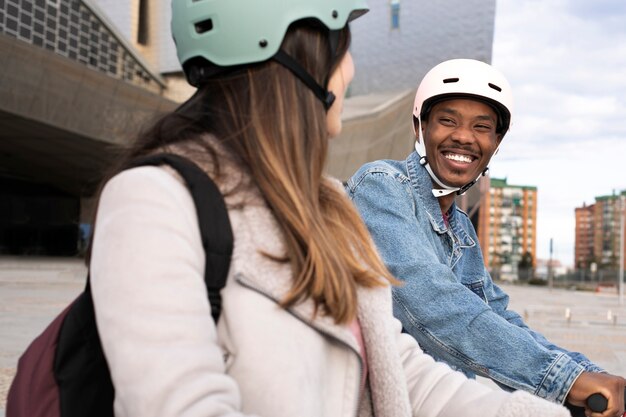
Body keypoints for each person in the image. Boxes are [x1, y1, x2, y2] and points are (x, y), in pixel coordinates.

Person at [86, 2, 571, 415]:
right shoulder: (153, 200)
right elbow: (178, 403)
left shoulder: (327, 208)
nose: (351, 68)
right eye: (342, 48)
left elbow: (399, 370)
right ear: (296, 62)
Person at [345, 58, 626, 417]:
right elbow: (433, 306)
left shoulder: (461, 229)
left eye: (482, 127)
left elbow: (497, 317)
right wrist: (566, 381)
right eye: (448, 120)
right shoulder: (381, 186)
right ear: (420, 126)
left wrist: (589, 375)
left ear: (496, 142)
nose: (464, 136)